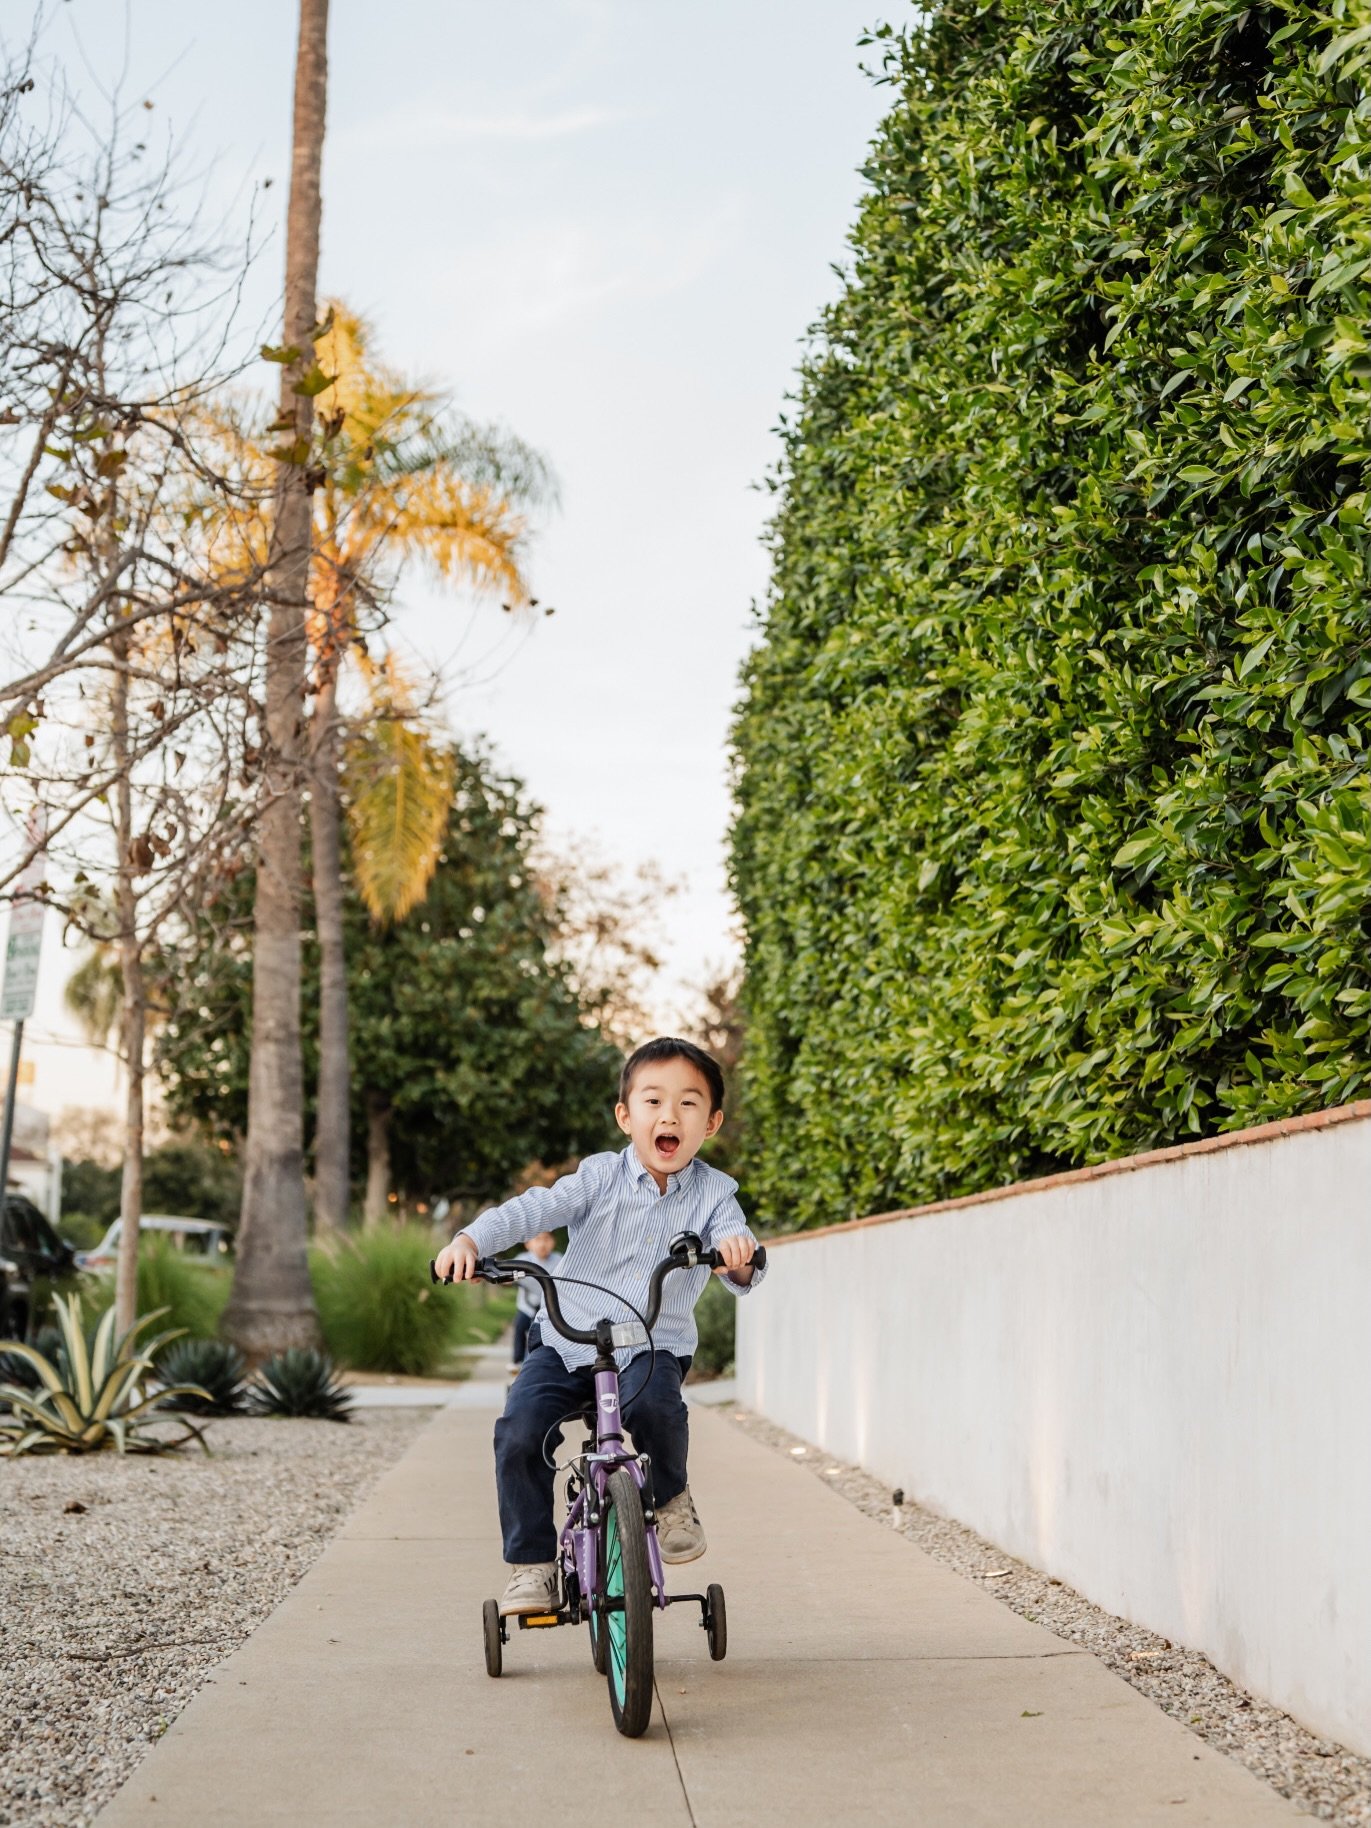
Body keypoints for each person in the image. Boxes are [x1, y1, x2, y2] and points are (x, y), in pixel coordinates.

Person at [432, 1035, 766, 1617]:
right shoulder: (597, 1178)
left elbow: (736, 1246)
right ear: (625, 1115)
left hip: (651, 1346)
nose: (670, 1115)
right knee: (519, 1431)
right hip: (568, 1341)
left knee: (659, 1411)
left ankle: (672, 1500)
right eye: (653, 1101)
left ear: (711, 1122)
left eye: (689, 1104)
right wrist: (470, 1240)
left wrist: (738, 1255)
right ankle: (532, 1566)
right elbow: (531, 1209)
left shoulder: (716, 1195)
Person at [509, 1229, 562, 1377]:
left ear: (553, 1242)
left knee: (547, 1332)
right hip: (527, 1305)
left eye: (546, 1239)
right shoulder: (522, 1259)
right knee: (519, 1326)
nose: (542, 1244)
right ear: (528, 1243)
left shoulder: (559, 1260)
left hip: (548, 1306)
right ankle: (517, 1361)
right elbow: (508, 1274)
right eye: (537, 1239)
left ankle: (539, 1361)